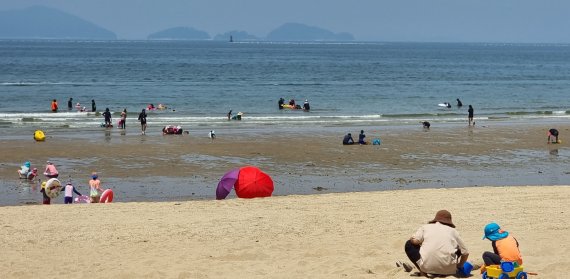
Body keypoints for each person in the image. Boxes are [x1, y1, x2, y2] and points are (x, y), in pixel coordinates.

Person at [404, 210, 469, 276]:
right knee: (459, 248)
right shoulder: (453, 231)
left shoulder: (426, 227)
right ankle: (446, 270)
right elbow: (465, 252)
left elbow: (415, 241)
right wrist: (459, 265)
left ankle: (423, 271)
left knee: (409, 244)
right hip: (449, 270)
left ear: (436, 220)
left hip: (426, 268)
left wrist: (412, 239)